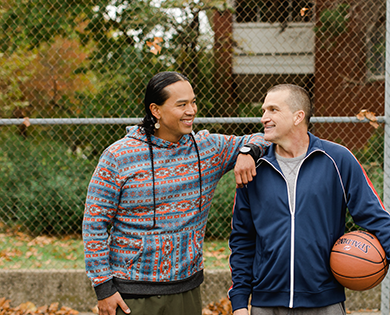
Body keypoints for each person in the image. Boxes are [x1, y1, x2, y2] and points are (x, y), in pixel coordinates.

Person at [82, 71, 268, 315]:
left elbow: (265, 138)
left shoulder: (208, 149)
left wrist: (247, 151)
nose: (191, 110)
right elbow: (94, 223)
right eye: (181, 104)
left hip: (187, 289)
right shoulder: (119, 156)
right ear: (156, 110)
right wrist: (103, 288)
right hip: (132, 295)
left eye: (193, 102)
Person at [228, 84, 390, 315]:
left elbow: (376, 218)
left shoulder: (337, 160)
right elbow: (242, 239)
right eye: (264, 110)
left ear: (298, 116)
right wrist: (239, 302)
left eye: (273, 110)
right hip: (266, 301)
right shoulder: (252, 168)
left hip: (324, 300)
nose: (264, 118)